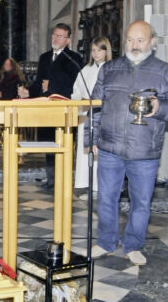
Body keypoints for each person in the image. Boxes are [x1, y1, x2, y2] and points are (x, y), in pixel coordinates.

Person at [90, 21, 168, 266]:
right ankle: (106, 241)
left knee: (141, 203)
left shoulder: (163, 71)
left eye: (140, 40)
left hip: (145, 150)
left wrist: (160, 107)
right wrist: (91, 139)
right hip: (110, 147)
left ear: (152, 42)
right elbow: (95, 105)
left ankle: (133, 245)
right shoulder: (110, 68)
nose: (134, 45)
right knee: (106, 198)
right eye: (130, 40)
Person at [18, 23, 83, 188]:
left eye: (60, 36)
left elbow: (75, 86)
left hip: (64, 109)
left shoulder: (74, 59)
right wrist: (28, 92)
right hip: (47, 109)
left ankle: (63, 181)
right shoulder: (45, 57)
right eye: (54, 35)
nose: (55, 38)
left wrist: (52, 86)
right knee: (49, 144)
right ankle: (51, 180)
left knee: (63, 144)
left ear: (68, 40)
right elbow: (39, 84)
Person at [71, 37, 112, 199]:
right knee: (85, 149)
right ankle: (84, 181)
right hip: (86, 114)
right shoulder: (86, 70)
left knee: (100, 150)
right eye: (93, 50)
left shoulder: (111, 69)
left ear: (106, 51)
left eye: (99, 50)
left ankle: (99, 184)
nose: (96, 54)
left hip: (103, 116)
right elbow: (76, 90)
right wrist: (81, 99)